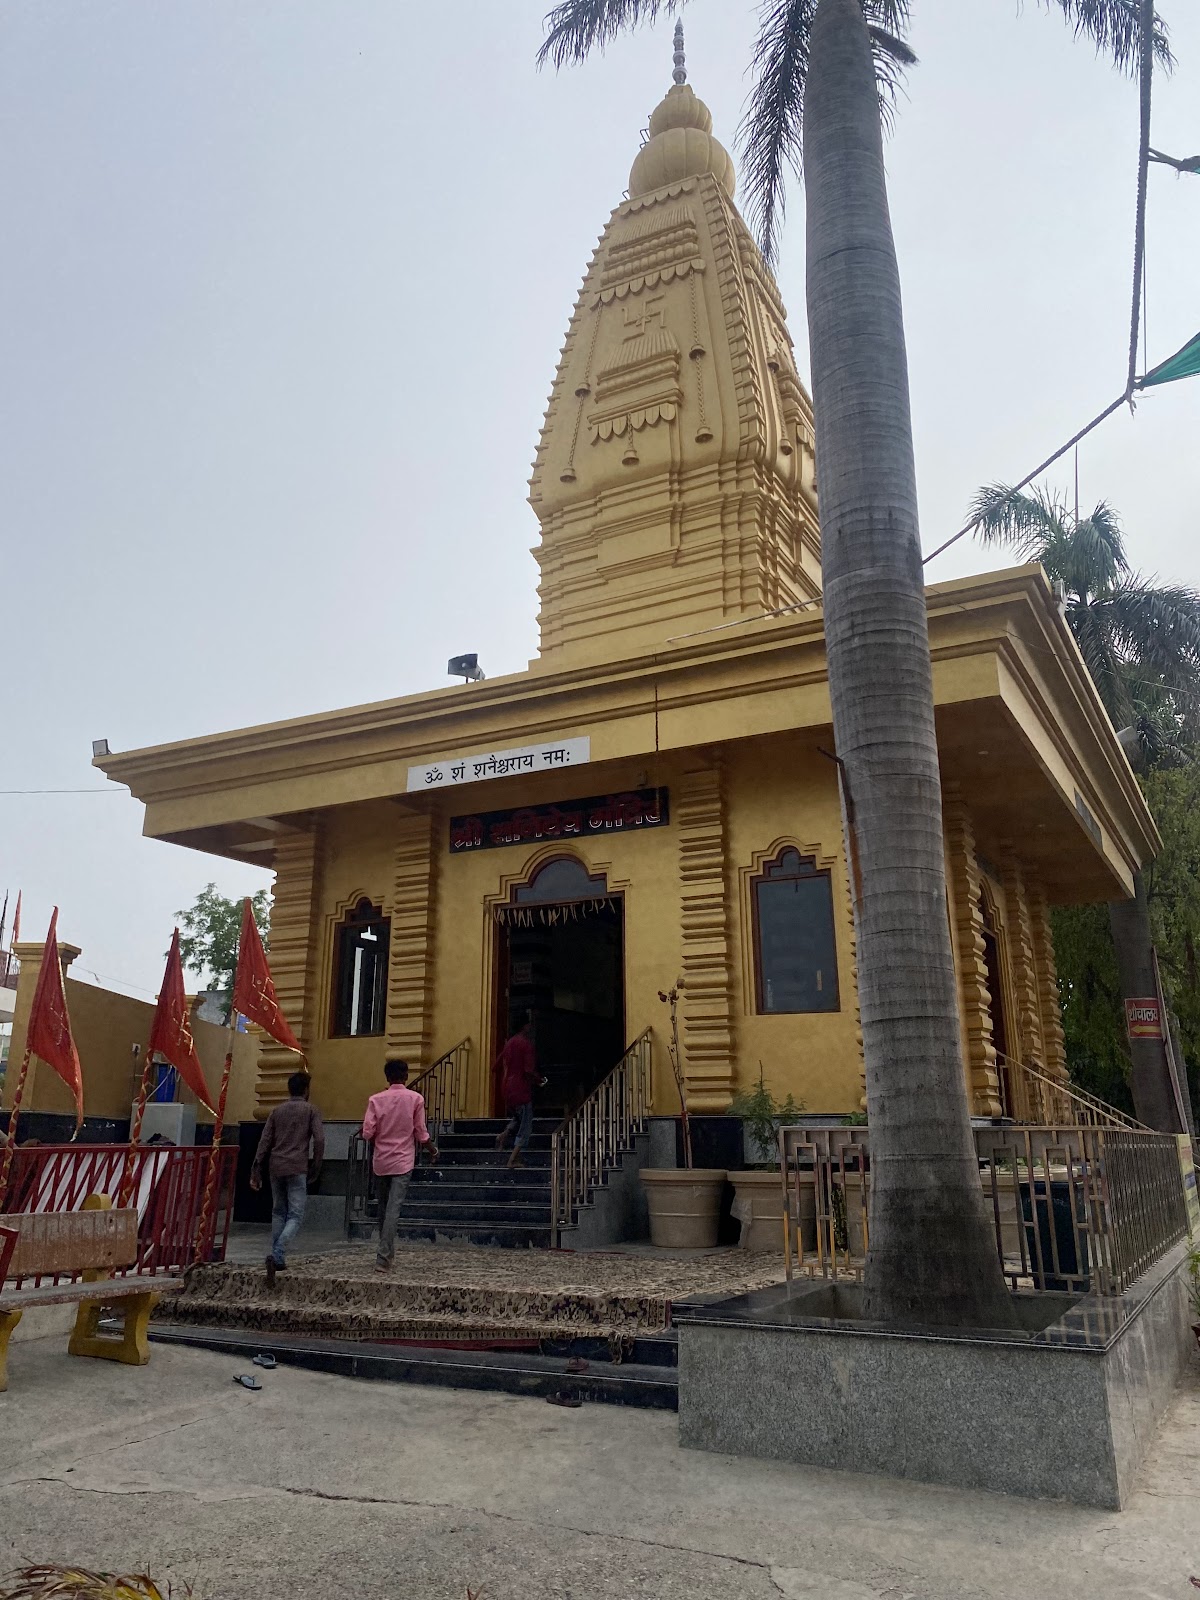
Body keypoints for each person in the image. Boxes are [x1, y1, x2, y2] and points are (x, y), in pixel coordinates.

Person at [362, 1059, 438, 1272]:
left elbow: (367, 1133)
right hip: (403, 1161)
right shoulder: (415, 1099)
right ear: (406, 1076)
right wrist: (433, 1150)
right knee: (393, 1209)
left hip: (381, 1161)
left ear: (387, 1077)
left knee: (383, 1208)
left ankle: (385, 1252)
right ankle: (384, 1257)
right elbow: (421, 1132)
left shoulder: (375, 1100)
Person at [250, 1070, 324, 1287]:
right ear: (306, 1090)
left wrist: (256, 1167)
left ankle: (277, 1258)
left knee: (278, 1211)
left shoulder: (277, 1111)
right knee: (296, 1215)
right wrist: (316, 1165)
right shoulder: (311, 1110)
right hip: (297, 1167)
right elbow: (319, 1140)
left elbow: (264, 1141)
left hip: (276, 1166)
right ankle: (279, 1251)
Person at [494, 1012, 544, 1169]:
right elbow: (528, 1071)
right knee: (526, 1125)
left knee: (518, 1117)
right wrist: (540, 1080)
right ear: (525, 1026)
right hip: (521, 1089)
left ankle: (503, 1136)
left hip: (507, 1088)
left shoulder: (509, 1043)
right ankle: (512, 1160)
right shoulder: (526, 1044)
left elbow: (495, 1066)